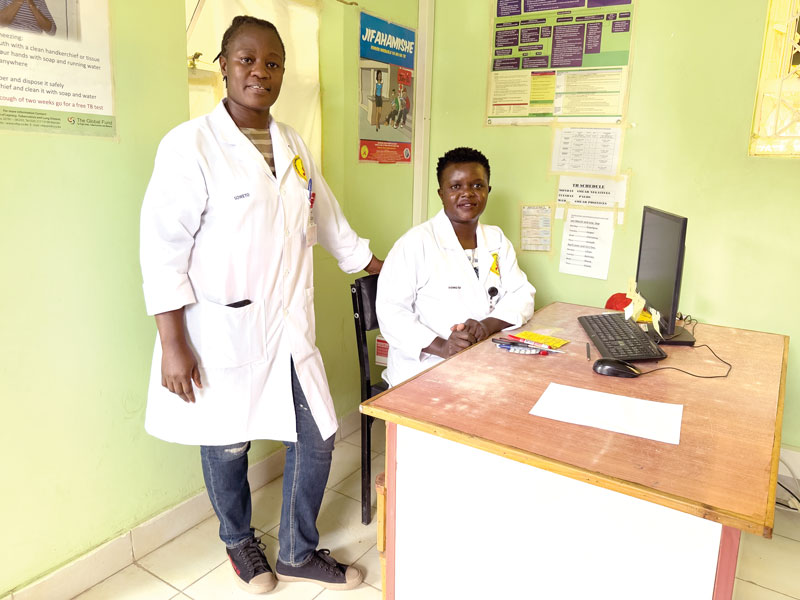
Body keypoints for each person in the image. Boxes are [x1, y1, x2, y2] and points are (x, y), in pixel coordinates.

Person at [140, 15, 381, 594]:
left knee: (318, 434)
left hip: (289, 329)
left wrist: (381, 268)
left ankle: (297, 549)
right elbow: (161, 251)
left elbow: (327, 220)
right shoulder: (190, 145)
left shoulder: (294, 144)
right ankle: (237, 539)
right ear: (223, 64)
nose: (260, 72)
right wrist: (173, 344)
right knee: (228, 443)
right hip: (219, 329)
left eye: (272, 63)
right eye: (247, 59)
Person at [376, 147, 535, 386]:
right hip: (424, 371)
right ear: (441, 193)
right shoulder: (415, 243)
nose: (467, 194)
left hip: (481, 362)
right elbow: (391, 313)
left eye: (477, 186)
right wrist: (443, 346)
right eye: (456, 187)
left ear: (488, 191)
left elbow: (522, 293)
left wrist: (486, 325)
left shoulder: (497, 240)